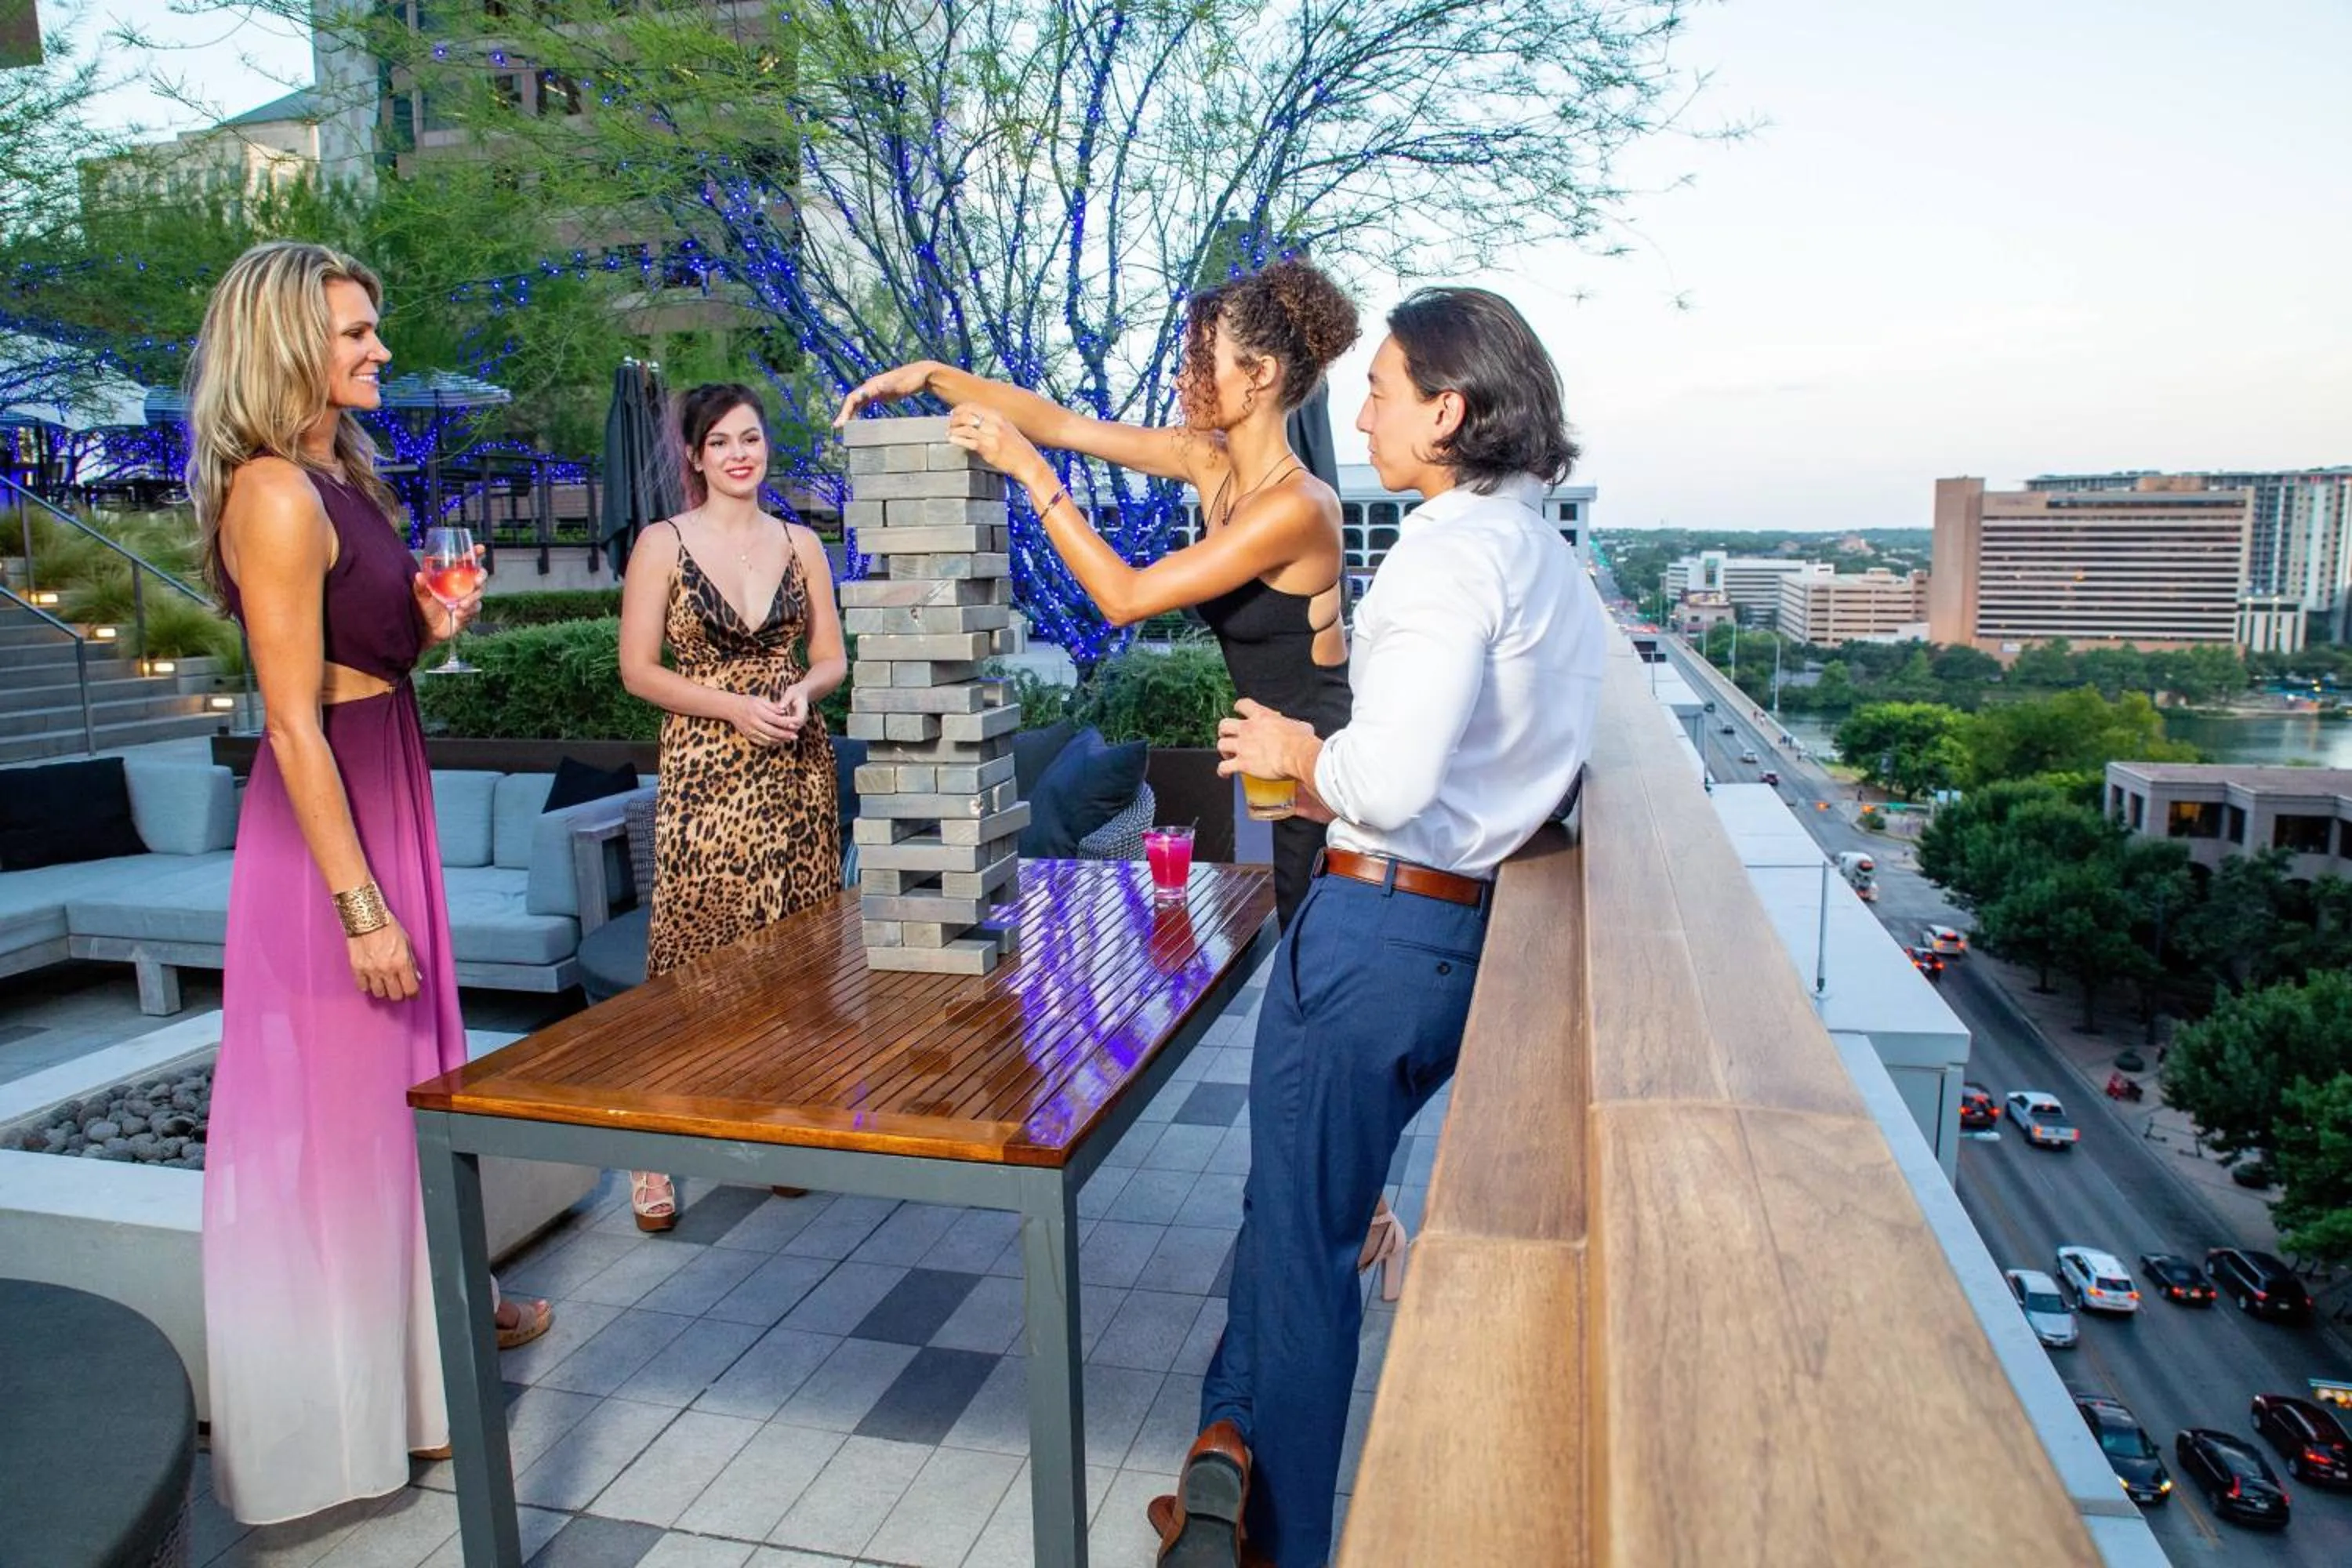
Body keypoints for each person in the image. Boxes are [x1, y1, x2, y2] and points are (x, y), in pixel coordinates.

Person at [835, 257, 1409, 1294]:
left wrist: (1028, 477)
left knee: (1313, 1018)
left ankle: (1339, 1224)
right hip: (1276, 774)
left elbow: (1127, 597)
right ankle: (1354, 1214)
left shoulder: (1297, 508)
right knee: (1307, 1010)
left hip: (1333, 783)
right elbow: (1060, 421)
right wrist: (935, 376)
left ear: (1265, 375)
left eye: (1207, 358)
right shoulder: (1212, 465)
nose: (1189, 373)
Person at [1152, 288, 1609, 1566]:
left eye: (1384, 391)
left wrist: (1303, 751)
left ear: (1448, 413)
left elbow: (1394, 785)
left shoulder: (1445, 554)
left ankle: (1269, 1532)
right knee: (1297, 1205)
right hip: (1467, 937)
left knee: (1302, 1246)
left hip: (1375, 932)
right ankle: (1222, 1465)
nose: (1360, 411)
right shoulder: (1545, 557)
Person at [195, 240, 552, 1526]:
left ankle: (422, 1375)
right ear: (290, 342)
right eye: (356, 333)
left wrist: (428, 624)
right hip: (328, 816)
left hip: (383, 776)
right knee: (341, 1123)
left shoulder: (339, 474)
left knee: (404, 1093)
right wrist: (358, 906)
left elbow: (367, 648)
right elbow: (291, 724)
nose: (380, 351)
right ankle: (339, 1422)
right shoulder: (273, 494)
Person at [617, 383, 847, 1230]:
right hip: (710, 768)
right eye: (721, 442)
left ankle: (776, 1121)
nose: (740, 454)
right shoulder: (662, 544)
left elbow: (831, 656)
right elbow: (638, 670)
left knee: (792, 947)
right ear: (696, 455)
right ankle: (656, 1139)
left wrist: (798, 687)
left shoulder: (801, 542)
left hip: (796, 766)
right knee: (696, 946)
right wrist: (731, 705)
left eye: (751, 438)